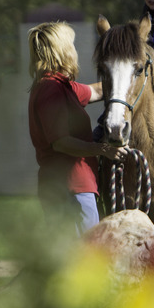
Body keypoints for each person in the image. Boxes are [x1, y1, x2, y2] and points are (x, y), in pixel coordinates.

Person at [28, 21, 125, 233]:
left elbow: (98, 91)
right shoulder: (52, 89)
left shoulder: (61, 86)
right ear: (62, 51)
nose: (75, 50)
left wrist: (124, 70)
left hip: (71, 185)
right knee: (85, 255)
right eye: (71, 44)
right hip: (70, 187)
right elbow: (61, 142)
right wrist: (101, 149)